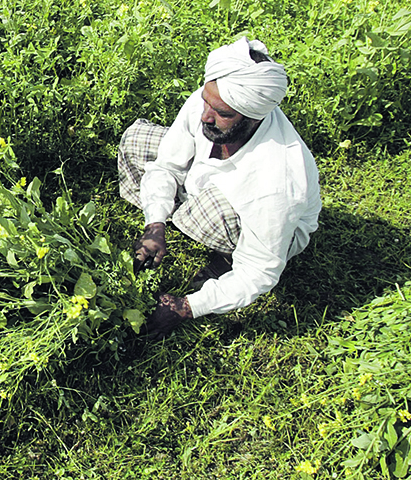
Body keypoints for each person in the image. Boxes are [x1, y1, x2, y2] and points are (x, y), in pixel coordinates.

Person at [117, 37, 321, 336]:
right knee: (135, 141)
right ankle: (174, 214)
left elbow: (259, 272)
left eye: (222, 114)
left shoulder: (276, 181)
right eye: (206, 102)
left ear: (253, 118)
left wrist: (187, 307)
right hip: (204, 183)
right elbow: (167, 165)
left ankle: (226, 258)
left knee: (211, 212)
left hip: (261, 223)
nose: (205, 116)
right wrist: (155, 225)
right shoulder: (213, 100)